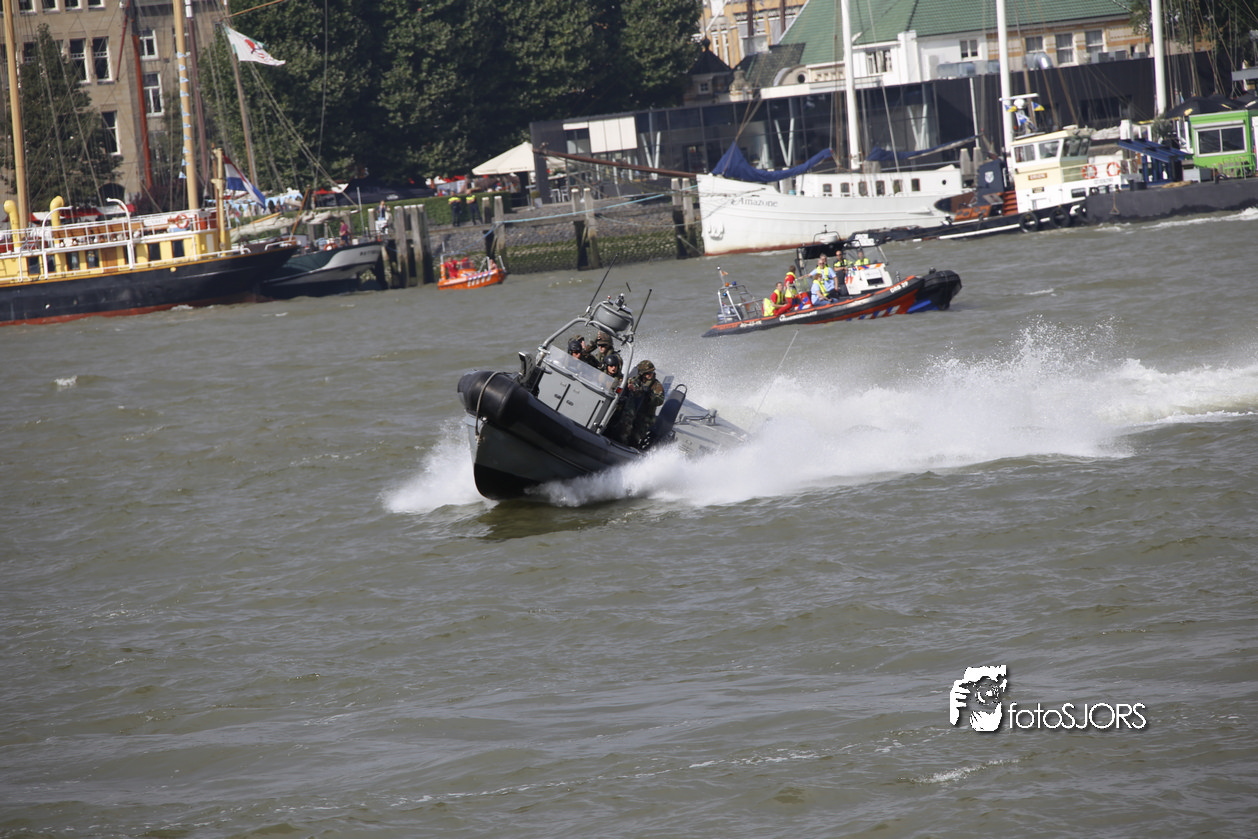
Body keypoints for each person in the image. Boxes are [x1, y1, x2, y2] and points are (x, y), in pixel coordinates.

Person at [609, 360, 665, 448]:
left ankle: (628, 448)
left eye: (651, 372)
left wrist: (649, 395)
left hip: (644, 416)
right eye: (648, 373)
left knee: (635, 438)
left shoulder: (656, 385)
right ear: (642, 373)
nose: (650, 374)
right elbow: (631, 386)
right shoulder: (635, 380)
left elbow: (660, 400)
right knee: (623, 425)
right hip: (631, 410)